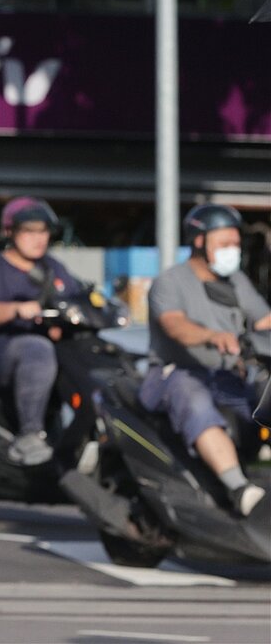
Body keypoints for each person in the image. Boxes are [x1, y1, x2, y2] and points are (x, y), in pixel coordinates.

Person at [140, 204, 271, 517]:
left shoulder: (236, 281)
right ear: (199, 241)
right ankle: (240, 489)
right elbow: (175, 325)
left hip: (226, 377)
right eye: (224, 244)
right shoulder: (171, 281)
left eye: (236, 244)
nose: (233, 251)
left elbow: (264, 320)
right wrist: (212, 336)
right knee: (195, 400)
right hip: (175, 374)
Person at [0, 197, 80, 465]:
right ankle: (30, 433)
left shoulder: (53, 267)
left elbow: (75, 297)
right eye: (29, 231)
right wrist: (17, 309)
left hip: (48, 348)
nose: (38, 238)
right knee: (36, 348)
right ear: (10, 232)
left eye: (43, 231)